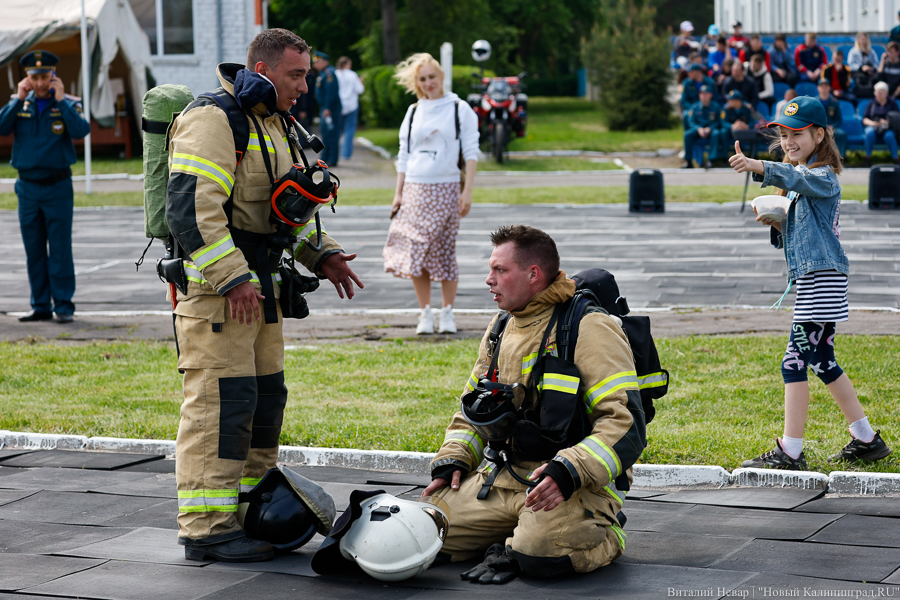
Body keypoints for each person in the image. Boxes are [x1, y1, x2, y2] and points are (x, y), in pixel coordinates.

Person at [165, 28, 363, 562]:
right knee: (220, 407)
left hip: (260, 291)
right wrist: (232, 278)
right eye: (296, 75)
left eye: (307, 75)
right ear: (262, 69)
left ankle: (250, 514)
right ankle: (206, 529)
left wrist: (323, 254)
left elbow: (282, 211)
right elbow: (191, 210)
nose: (304, 86)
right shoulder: (213, 120)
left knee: (263, 402)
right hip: (220, 297)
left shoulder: (276, 123)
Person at [421, 224, 645, 582]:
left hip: (573, 484)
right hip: (505, 478)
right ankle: (519, 531)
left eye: (500, 270)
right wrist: (453, 461)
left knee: (539, 555)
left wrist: (568, 471)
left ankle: (607, 533)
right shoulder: (501, 327)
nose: (489, 280)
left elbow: (624, 424)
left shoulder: (589, 327)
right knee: (425, 527)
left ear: (533, 274)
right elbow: (474, 410)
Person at [729, 96, 891, 470]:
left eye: (797, 134)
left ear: (819, 135)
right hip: (818, 281)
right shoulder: (802, 179)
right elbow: (802, 230)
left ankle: (791, 451)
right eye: (784, 135)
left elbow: (797, 177)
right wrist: (777, 223)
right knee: (823, 361)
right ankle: (867, 439)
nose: (788, 142)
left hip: (821, 282)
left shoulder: (822, 176)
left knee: (793, 362)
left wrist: (758, 166)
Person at [383, 53, 479, 335]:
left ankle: (447, 312)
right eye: (423, 79)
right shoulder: (413, 111)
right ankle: (425, 312)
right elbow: (404, 154)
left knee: (445, 249)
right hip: (415, 188)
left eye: (432, 77)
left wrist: (467, 191)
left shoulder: (460, 109)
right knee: (417, 250)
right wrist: (398, 193)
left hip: (447, 187)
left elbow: (471, 152)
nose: (428, 83)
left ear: (441, 76)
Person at [0, 50, 91, 324]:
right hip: (27, 188)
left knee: (60, 249)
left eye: (45, 76)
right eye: (35, 77)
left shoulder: (68, 104)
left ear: (54, 76)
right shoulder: (19, 104)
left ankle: (63, 305)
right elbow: (2, 127)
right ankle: (40, 305)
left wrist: (61, 101)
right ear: (27, 78)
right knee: (34, 249)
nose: (40, 83)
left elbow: (81, 130)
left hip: (57, 187)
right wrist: (18, 99)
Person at [682, 85, 721, 168]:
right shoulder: (694, 107)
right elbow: (691, 121)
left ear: (710, 95)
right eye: (702, 94)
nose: (703, 96)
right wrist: (698, 129)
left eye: (706, 94)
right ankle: (688, 161)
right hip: (698, 129)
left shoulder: (716, 107)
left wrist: (710, 128)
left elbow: (718, 121)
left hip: (710, 129)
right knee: (687, 134)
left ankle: (711, 160)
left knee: (716, 133)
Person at [861, 81, 900, 167]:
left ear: (886, 93)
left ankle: (896, 159)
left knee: (890, 136)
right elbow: (864, 119)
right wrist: (874, 123)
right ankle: (868, 158)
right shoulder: (872, 103)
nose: (879, 95)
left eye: (881, 93)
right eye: (877, 92)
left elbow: (897, 118)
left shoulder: (892, 103)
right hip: (873, 126)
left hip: (887, 127)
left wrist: (886, 122)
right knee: (869, 133)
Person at [314, 51, 342, 166]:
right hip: (325, 108)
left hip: (330, 109)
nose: (314, 64)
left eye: (317, 62)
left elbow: (331, 93)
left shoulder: (329, 73)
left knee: (331, 134)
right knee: (325, 134)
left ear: (324, 61)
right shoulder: (322, 73)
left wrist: (327, 108)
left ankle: (332, 159)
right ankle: (324, 158)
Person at [711, 90, 752, 166]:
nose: (728, 101)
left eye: (731, 100)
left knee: (753, 133)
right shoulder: (726, 108)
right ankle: (725, 158)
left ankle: (753, 157)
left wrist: (746, 126)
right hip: (730, 132)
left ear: (738, 101)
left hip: (744, 132)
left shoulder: (747, 107)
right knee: (723, 132)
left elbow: (752, 121)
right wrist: (733, 126)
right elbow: (723, 122)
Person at [335, 56, 364, 161]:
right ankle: (346, 154)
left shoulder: (335, 74)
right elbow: (360, 90)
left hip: (339, 105)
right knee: (349, 130)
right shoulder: (352, 75)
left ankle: (334, 152)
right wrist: (360, 82)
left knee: (337, 130)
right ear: (347, 64)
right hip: (351, 105)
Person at [817, 79, 847, 158]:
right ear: (818, 88)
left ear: (829, 88)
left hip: (831, 127)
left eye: (826, 86)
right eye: (822, 86)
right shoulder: (815, 102)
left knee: (841, 134)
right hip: (818, 127)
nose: (824, 89)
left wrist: (832, 126)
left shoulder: (834, 102)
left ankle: (841, 157)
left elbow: (839, 119)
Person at [847, 32, 878, 99]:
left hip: (869, 73)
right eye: (861, 39)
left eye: (865, 39)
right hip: (858, 72)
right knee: (861, 77)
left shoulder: (871, 52)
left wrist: (871, 68)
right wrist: (861, 68)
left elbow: (876, 64)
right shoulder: (853, 52)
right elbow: (850, 65)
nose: (863, 41)